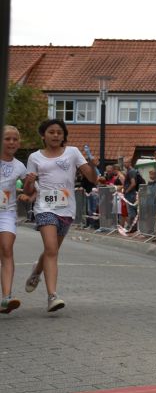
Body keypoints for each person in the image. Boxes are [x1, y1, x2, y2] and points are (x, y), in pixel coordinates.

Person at [23, 119, 97, 312]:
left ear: (64, 136)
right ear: (43, 135)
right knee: (51, 248)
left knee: (52, 250)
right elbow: (28, 189)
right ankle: (52, 296)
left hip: (66, 208)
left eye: (59, 132)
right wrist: (30, 181)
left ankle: (37, 271)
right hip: (44, 207)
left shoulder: (72, 152)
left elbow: (92, 178)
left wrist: (92, 164)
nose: (55, 135)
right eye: (51, 132)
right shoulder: (34, 157)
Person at [0, 126, 29, 313]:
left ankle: (6, 297)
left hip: (6, 212)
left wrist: (29, 192)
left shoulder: (20, 166)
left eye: (15, 139)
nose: (11, 142)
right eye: (7, 139)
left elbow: (30, 189)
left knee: (6, 248)